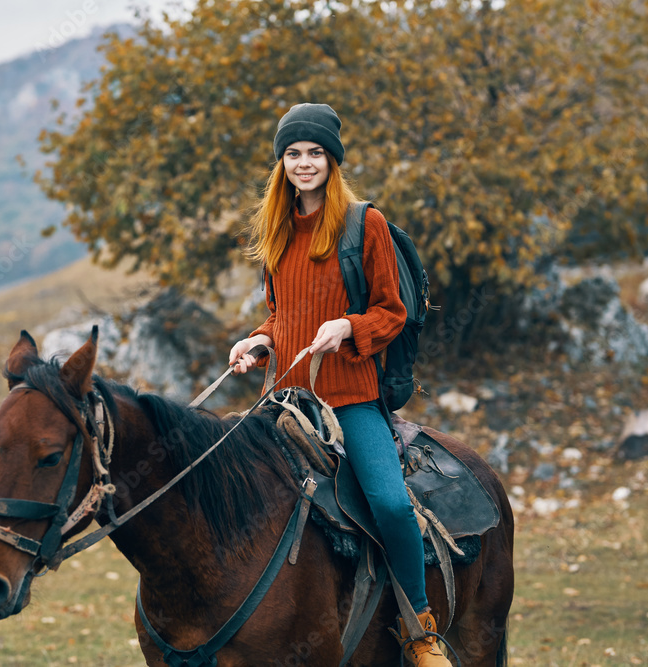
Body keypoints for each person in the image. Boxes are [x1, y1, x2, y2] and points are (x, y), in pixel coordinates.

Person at [228, 103, 449, 667]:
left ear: (332, 160)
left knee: (391, 507)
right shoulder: (276, 230)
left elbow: (392, 312)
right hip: (282, 402)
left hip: (349, 399)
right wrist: (258, 342)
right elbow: (281, 315)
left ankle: (419, 628)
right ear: (282, 163)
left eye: (315, 153)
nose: (304, 164)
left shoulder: (362, 224)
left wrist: (348, 326)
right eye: (294, 154)